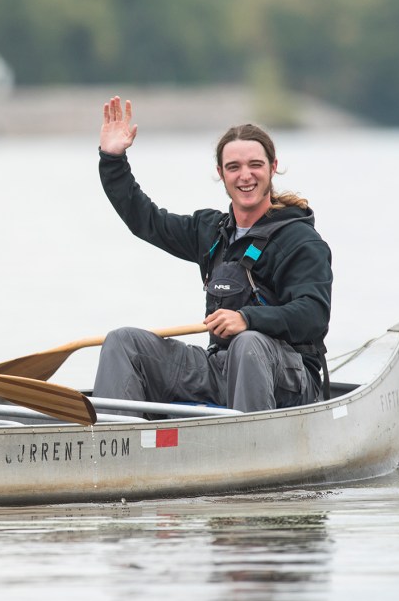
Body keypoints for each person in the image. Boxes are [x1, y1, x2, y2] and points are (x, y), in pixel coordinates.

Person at [92, 96, 331, 414]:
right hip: (220, 370)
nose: (245, 176)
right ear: (221, 173)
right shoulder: (211, 231)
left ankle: (250, 447)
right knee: (123, 342)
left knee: (248, 344)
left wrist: (247, 319)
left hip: (290, 380)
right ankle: (118, 447)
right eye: (234, 167)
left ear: (272, 168)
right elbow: (144, 220)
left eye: (255, 165)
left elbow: (312, 315)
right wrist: (112, 160)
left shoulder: (301, 241)